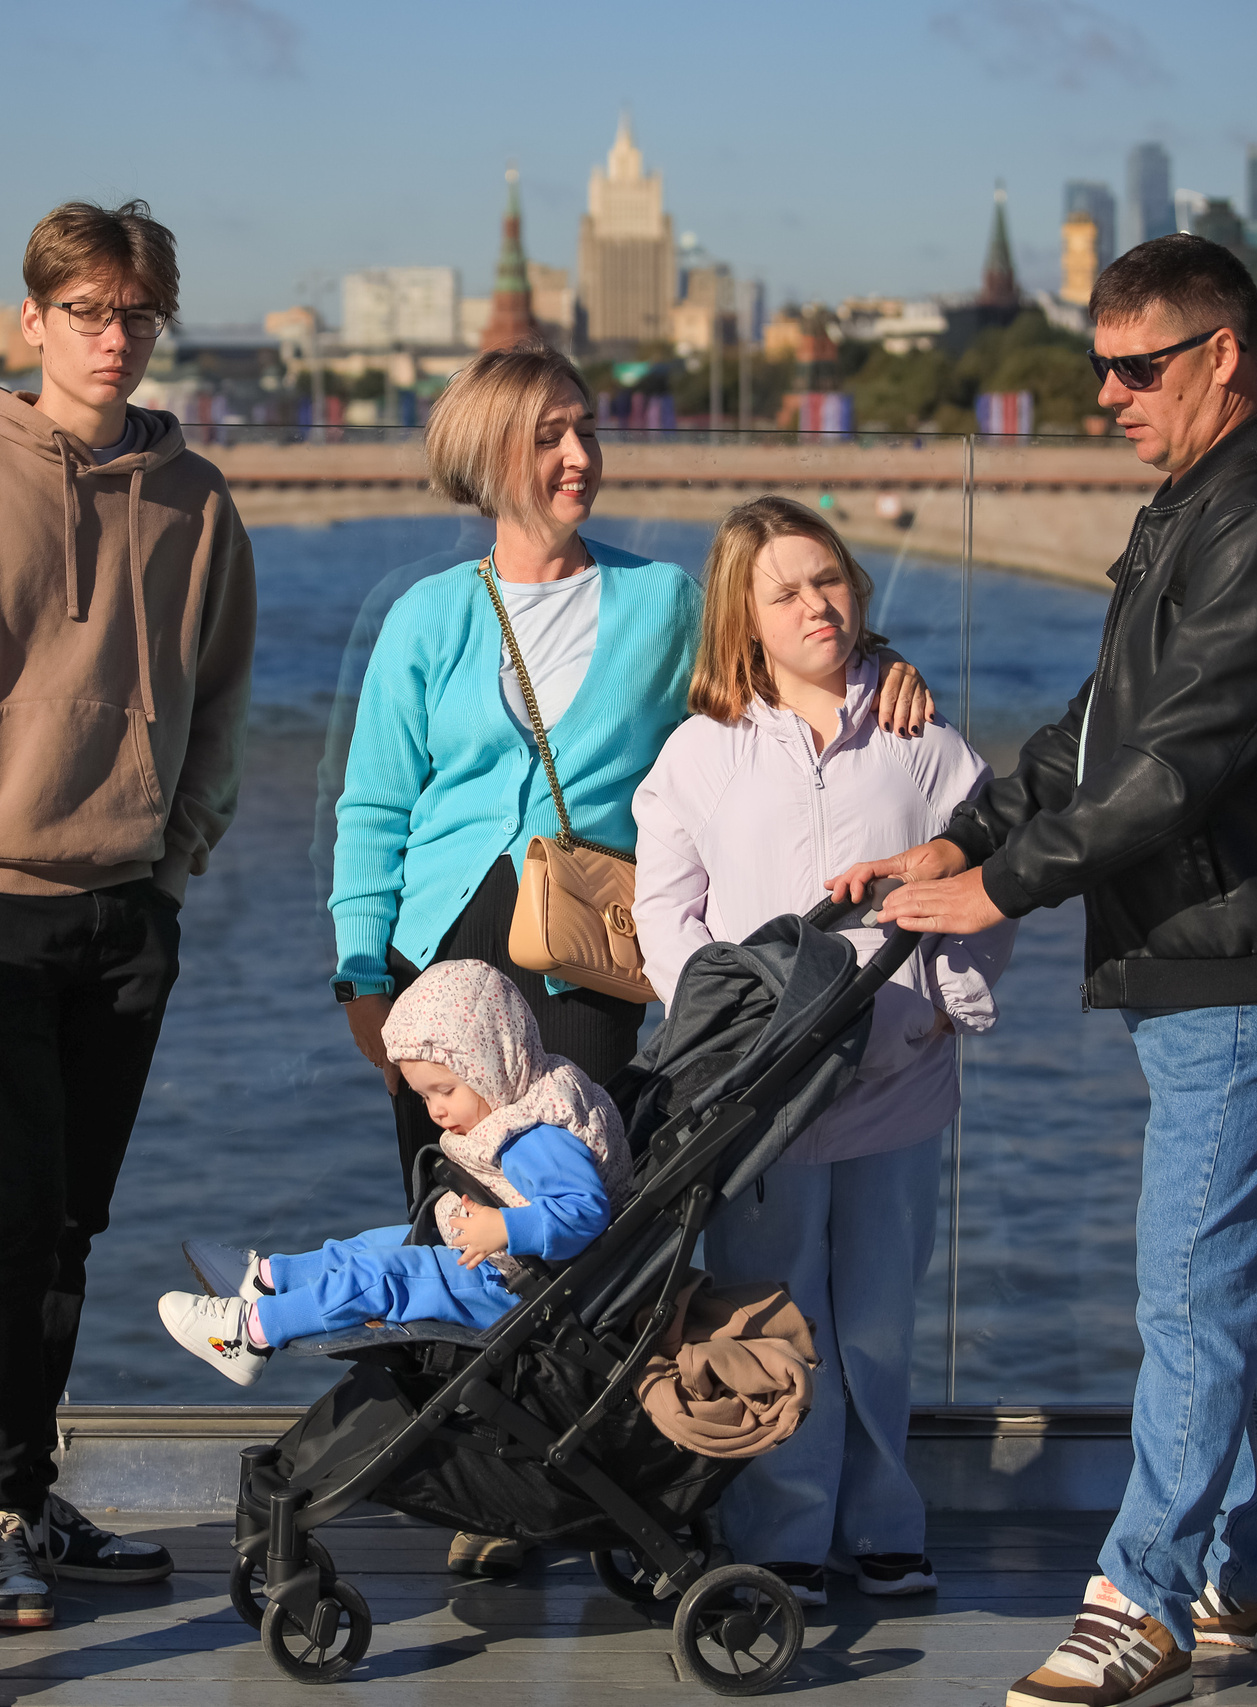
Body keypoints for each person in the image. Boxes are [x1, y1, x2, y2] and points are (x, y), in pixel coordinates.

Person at [838, 235, 1257, 1707]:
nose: (1108, 395)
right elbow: (1096, 730)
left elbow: (1183, 759)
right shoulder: (1195, 509)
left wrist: (1003, 881)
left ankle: (1142, 1596)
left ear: (1225, 357)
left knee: (1194, 1283)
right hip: (1220, 941)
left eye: (1139, 367)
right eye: (1098, 368)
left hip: (1246, 951)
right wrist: (959, 836)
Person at [328, 343, 930, 1575]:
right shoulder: (428, 618)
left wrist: (887, 667)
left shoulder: (657, 601)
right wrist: (358, 970)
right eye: (549, 435)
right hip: (441, 962)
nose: (578, 457)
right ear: (491, 454)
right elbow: (373, 807)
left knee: (600, 1229)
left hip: (589, 965)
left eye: (586, 430)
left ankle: (607, 1484)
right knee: (457, 1233)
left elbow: (788, 654)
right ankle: (481, 1495)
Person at [0, 200, 257, 1630]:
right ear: (32, 322)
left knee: (74, 1220)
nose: (112, 336)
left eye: (137, 314)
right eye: (86, 310)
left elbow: (217, 707)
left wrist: (172, 862)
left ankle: (28, 1484)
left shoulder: (198, 501)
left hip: (129, 911)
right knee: (12, 1218)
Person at [632, 496, 1015, 1610]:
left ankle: (885, 1519)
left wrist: (939, 1002)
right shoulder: (697, 756)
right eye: (785, 591)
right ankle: (783, 1527)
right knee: (770, 1314)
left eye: (829, 580)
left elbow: (993, 878)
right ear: (742, 621)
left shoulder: (924, 742)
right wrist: (725, 1033)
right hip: (763, 1099)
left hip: (895, 1083)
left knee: (882, 1320)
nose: (815, 605)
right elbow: (668, 913)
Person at [156, 957, 625, 1385]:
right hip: (498, 1258)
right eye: (425, 1097)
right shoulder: (519, 1095)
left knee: (378, 1276)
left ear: (491, 1065)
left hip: (513, 1287)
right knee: (371, 1246)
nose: (436, 1111)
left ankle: (252, 1335)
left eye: (445, 1090)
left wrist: (503, 1227)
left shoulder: (534, 1137)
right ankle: (268, 1279)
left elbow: (584, 1212)